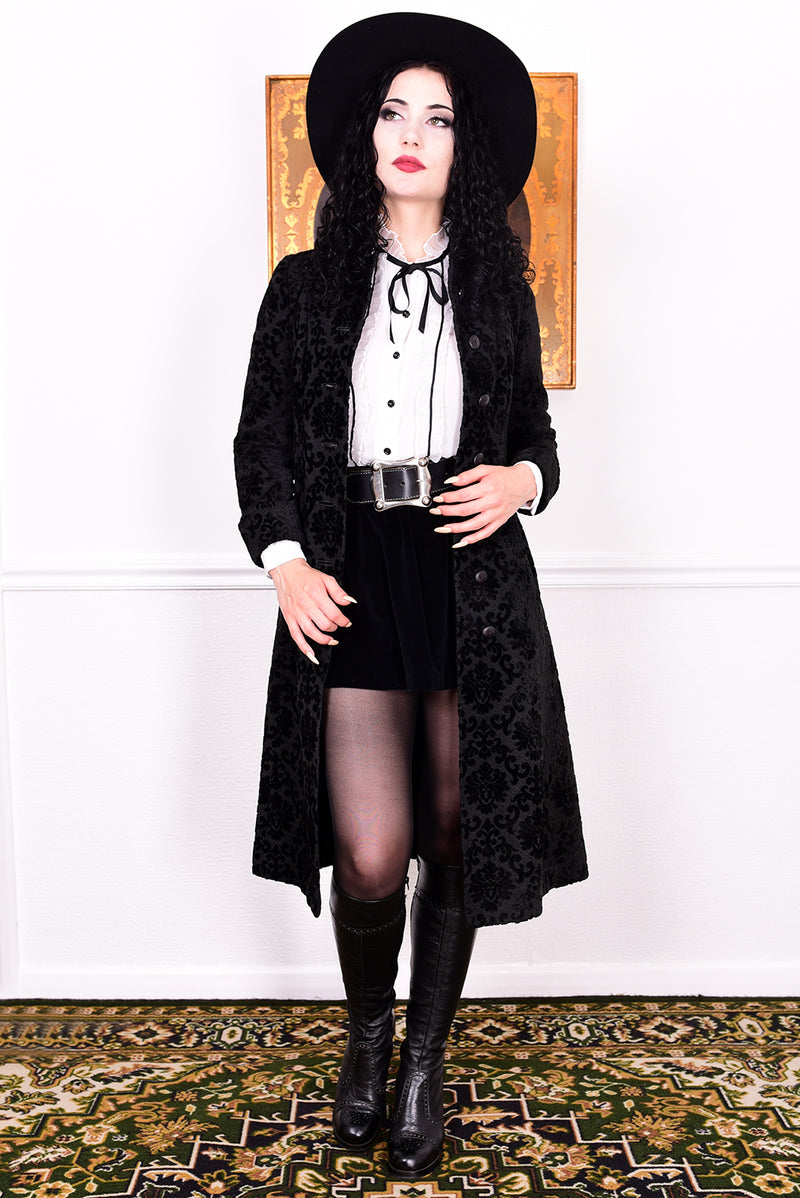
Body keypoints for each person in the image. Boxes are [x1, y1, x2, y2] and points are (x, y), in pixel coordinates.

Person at [233, 13, 588, 1179]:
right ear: (365, 134)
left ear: (461, 149)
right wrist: (284, 559)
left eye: (437, 119)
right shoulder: (303, 287)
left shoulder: (498, 291)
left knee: (454, 835)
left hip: (469, 578)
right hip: (350, 570)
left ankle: (422, 1064)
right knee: (372, 851)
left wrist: (522, 480)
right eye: (394, 111)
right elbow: (261, 438)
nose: (411, 134)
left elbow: (535, 438)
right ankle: (366, 1037)